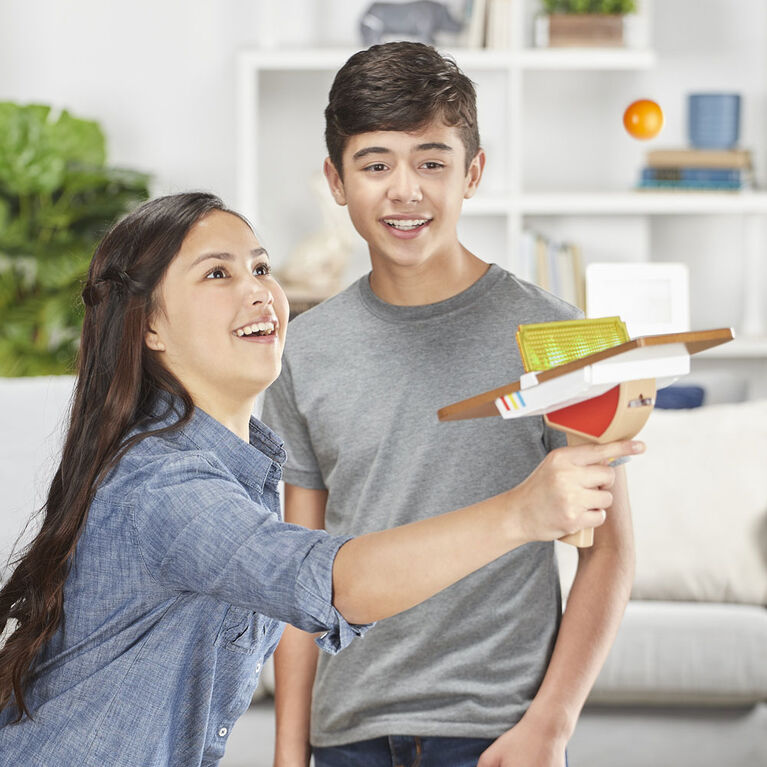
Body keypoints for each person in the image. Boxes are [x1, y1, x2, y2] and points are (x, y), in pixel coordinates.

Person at [0, 192, 638, 767]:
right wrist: (521, 513)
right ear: (151, 327)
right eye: (217, 273)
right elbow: (337, 584)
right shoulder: (162, 486)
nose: (258, 291)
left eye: (260, 267)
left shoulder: (238, 471)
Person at [261, 43, 637, 767]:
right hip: (347, 735)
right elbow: (298, 579)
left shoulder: (561, 335)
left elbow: (609, 552)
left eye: (430, 162)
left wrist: (548, 727)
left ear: (473, 172)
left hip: (499, 733)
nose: (404, 191)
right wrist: (288, 755)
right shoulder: (302, 353)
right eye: (375, 164)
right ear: (336, 181)